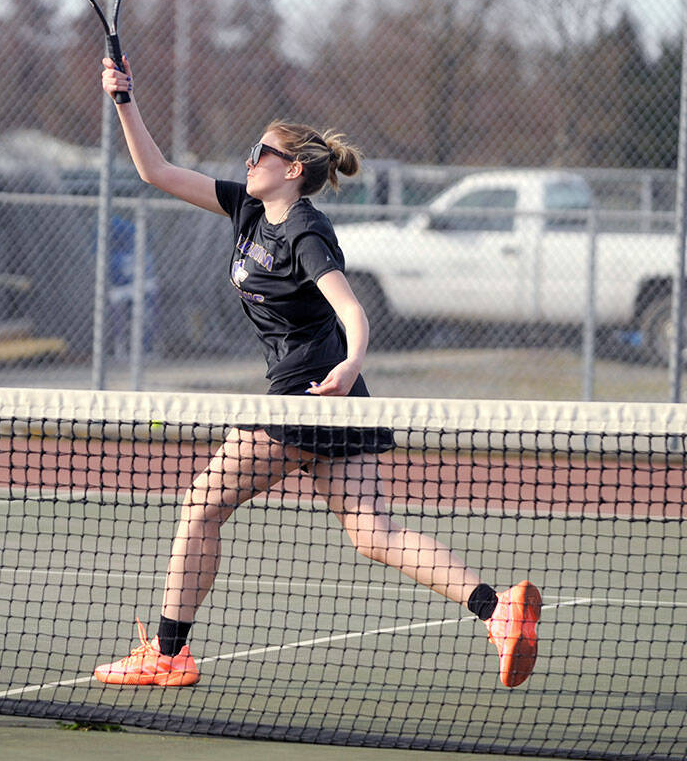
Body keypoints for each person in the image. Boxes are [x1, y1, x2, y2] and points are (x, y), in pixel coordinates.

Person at [91, 55, 541, 690]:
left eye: (260, 152)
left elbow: (351, 310)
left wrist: (349, 365)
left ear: (292, 169)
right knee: (372, 532)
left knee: (200, 508)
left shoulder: (305, 231)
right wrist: (123, 99)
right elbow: (155, 170)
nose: (249, 161)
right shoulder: (248, 210)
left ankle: (168, 654)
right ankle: (499, 612)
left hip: (307, 394)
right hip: (333, 396)